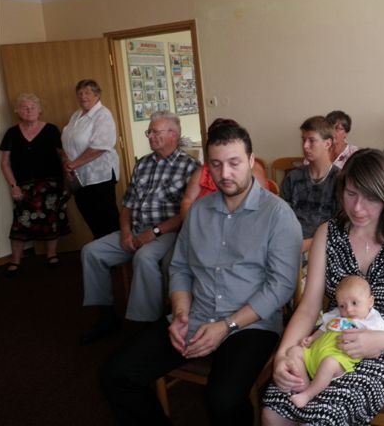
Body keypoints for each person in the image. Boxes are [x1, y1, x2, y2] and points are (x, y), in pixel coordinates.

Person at [100, 121, 302, 425]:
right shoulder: (198, 211)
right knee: (115, 374)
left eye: (234, 163)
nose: (225, 174)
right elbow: (180, 267)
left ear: (250, 161)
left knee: (222, 399)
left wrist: (226, 325)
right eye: (216, 165)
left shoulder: (278, 215)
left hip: (250, 325)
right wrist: (181, 313)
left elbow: (281, 286)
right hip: (197, 315)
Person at [263, 148, 384, 425]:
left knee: (325, 417)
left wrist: (379, 340)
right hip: (331, 337)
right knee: (274, 410)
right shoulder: (327, 233)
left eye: (371, 198)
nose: (357, 208)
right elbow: (308, 308)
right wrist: (283, 356)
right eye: (351, 194)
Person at [79, 111, 199, 344]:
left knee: (144, 257)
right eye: (149, 132)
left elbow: (188, 213)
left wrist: (153, 232)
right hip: (135, 228)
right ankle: (106, 316)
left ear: (173, 135)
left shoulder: (190, 167)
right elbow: (128, 205)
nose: (150, 136)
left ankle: (147, 324)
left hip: (168, 232)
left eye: (155, 132)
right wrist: (125, 232)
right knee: (91, 252)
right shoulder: (143, 163)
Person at [286, 275, 384, 409]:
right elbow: (324, 328)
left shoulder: (371, 321)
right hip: (314, 354)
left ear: (370, 302)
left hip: (337, 359)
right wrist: (312, 339)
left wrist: (374, 351)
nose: (348, 310)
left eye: (354, 303)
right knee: (293, 351)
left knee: (329, 364)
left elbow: (379, 342)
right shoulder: (336, 314)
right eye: (342, 305)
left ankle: (308, 395)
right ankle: (305, 385)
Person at [0, 93, 70, 277]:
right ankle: (15, 259)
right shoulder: (12, 133)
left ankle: (51, 255)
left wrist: (67, 178)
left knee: (52, 220)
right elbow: (4, 163)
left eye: (32, 107)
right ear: (17, 111)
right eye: (24, 107)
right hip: (24, 187)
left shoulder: (51, 129)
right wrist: (13, 186)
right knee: (20, 223)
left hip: (52, 184)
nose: (29, 110)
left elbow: (63, 155)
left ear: (39, 110)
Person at [62, 79, 120, 239]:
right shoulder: (76, 115)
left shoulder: (103, 115)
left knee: (107, 221)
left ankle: (118, 252)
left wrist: (72, 165)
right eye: (80, 93)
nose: (83, 96)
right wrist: (67, 163)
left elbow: (100, 147)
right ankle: (100, 251)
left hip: (99, 177)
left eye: (87, 92)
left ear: (97, 94)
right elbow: (68, 142)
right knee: (92, 220)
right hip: (79, 177)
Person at [282, 116, 339, 252]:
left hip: (326, 248)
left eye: (311, 140)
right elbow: (281, 217)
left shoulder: (340, 180)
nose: (305, 146)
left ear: (328, 143)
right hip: (290, 243)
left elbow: (341, 227)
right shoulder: (293, 177)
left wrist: (307, 245)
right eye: (303, 140)